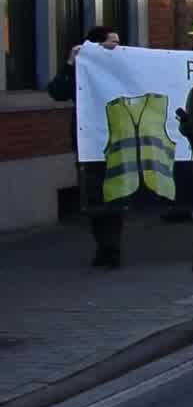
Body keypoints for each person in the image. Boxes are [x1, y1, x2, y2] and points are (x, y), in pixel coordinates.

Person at [49, 27, 125, 267]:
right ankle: (103, 245)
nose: (118, 48)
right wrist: (70, 63)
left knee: (114, 195)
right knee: (94, 195)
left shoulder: (122, 69)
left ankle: (112, 248)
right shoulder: (83, 70)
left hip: (117, 140)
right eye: (113, 43)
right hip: (89, 143)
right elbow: (57, 91)